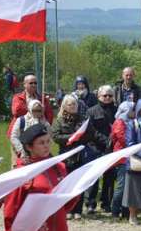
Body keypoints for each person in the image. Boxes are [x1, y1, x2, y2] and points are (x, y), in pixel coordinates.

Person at [51, 95, 96, 220]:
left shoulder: (83, 119)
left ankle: (78, 210)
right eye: (70, 104)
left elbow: (91, 133)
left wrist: (80, 137)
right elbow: (55, 136)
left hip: (80, 156)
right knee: (67, 184)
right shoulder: (59, 120)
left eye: (75, 104)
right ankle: (67, 209)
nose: (73, 106)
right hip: (66, 156)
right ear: (65, 106)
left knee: (79, 184)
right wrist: (71, 137)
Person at [85, 85, 117, 214]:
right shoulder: (91, 111)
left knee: (109, 178)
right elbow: (90, 130)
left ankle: (106, 203)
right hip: (95, 148)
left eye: (110, 95)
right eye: (105, 95)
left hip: (112, 149)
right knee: (94, 177)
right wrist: (105, 140)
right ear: (99, 96)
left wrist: (112, 142)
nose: (107, 98)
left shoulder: (117, 110)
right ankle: (91, 203)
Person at [7, 74, 54, 145]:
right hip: (20, 131)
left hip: (37, 133)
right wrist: (36, 109)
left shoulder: (42, 99)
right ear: (24, 84)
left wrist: (44, 126)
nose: (33, 85)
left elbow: (50, 115)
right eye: (31, 83)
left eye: (35, 83)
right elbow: (16, 111)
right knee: (20, 155)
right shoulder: (17, 97)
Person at [110, 101, 134, 220]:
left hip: (130, 157)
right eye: (132, 109)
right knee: (121, 185)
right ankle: (115, 211)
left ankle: (125, 211)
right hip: (122, 158)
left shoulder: (130, 122)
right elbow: (124, 139)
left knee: (127, 186)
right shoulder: (120, 122)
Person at [10, 99, 51, 164]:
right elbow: (14, 136)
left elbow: (49, 137)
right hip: (24, 153)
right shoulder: (21, 120)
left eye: (39, 111)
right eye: (34, 110)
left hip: (40, 155)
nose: (37, 113)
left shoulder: (45, 123)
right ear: (29, 109)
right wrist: (21, 150)